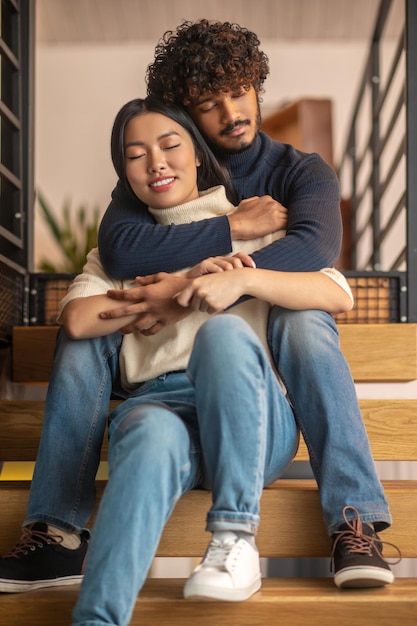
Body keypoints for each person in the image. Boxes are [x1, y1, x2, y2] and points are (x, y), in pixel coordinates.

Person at [0, 19, 393, 594]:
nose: (231, 111)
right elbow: (120, 249)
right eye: (209, 104)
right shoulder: (164, 169)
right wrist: (218, 244)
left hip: (258, 392)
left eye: (239, 91)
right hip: (160, 403)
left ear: (257, 85)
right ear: (185, 113)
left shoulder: (299, 173)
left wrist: (222, 284)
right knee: (84, 334)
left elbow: (314, 254)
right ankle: (56, 533)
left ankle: (353, 522)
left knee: (305, 319)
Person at [68, 96, 354, 625]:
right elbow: (80, 322)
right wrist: (188, 282)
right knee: (149, 433)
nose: (155, 162)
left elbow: (336, 293)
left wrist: (234, 278)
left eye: (170, 145)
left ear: (197, 155)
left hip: (254, 420)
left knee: (224, 334)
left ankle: (235, 538)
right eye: (136, 155)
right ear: (123, 175)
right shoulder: (127, 248)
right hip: (159, 411)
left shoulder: (260, 223)